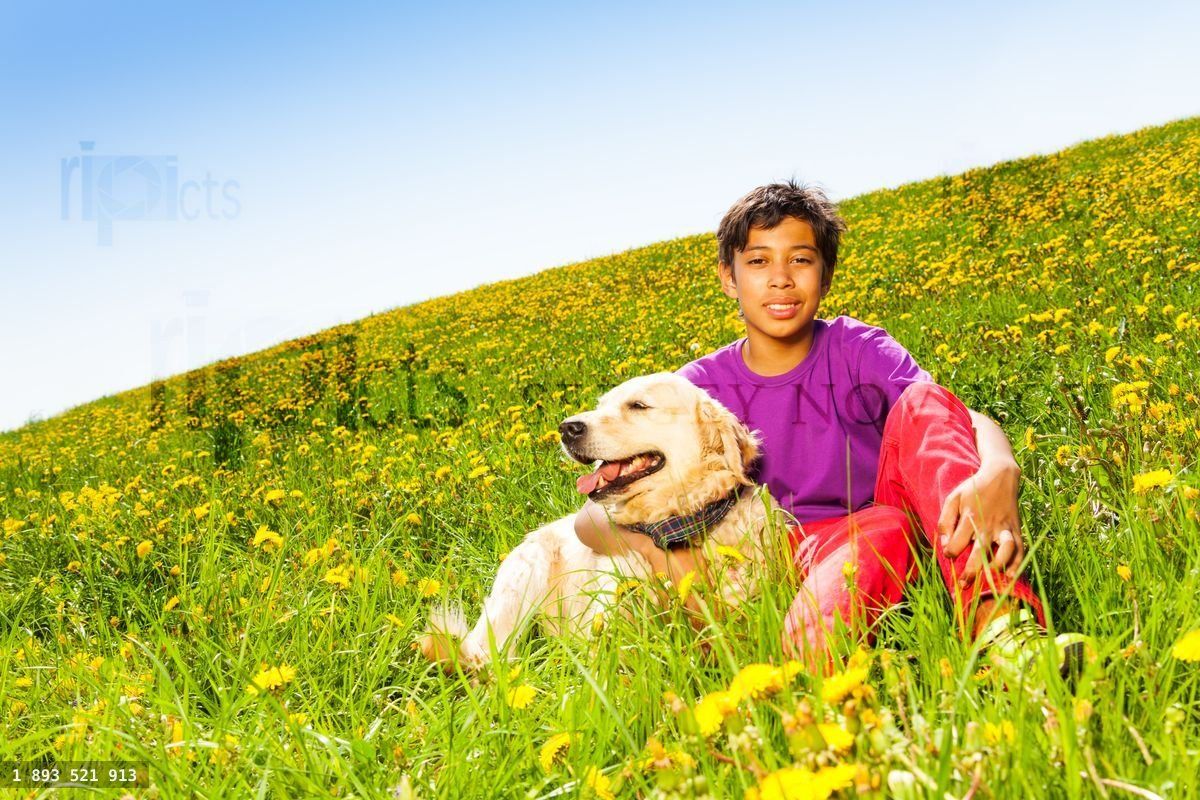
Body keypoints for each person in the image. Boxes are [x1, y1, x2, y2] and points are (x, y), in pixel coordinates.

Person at [574, 179, 1090, 679]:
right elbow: (589, 523)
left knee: (919, 418)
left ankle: (1004, 630)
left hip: (893, 520)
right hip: (773, 556)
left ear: (826, 275)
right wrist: (669, 556)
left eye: (800, 259)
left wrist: (1001, 467)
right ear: (728, 278)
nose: (780, 278)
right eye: (758, 261)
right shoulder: (696, 391)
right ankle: (805, 679)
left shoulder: (859, 348)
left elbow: (947, 416)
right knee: (878, 537)